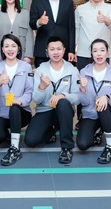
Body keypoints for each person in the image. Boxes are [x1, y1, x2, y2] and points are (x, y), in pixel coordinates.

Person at [24, 36, 80, 164]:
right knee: (30, 141)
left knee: (63, 103)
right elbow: (36, 99)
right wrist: (41, 87)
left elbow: (77, 98)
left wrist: (63, 96)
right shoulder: (40, 70)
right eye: (52, 49)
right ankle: (51, 131)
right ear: (47, 51)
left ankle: (66, 147)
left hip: (64, 111)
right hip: (45, 110)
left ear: (64, 50)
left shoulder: (72, 70)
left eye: (59, 49)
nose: (56, 52)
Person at [74, 0, 111, 126]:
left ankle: (102, 118)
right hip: (83, 53)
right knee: (83, 85)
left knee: (103, 86)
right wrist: (74, 49)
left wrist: (105, 19)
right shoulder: (80, 9)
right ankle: (82, 117)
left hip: (102, 55)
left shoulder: (110, 8)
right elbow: (76, 29)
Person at [0, 34, 34, 166]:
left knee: (14, 108)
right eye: (7, 46)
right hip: (3, 112)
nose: (10, 49)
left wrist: (21, 101)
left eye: (13, 46)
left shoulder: (26, 67)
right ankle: (11, 132)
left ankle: (15, 148)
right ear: (2, 49)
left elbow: (30, 91)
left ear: (19, 48)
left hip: (21, 112)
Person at [77, 39, 111, 164]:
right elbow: (84, 103)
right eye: (95, 51)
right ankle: (98, 130)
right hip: (91, 114)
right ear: (91, 53)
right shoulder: (84, 72)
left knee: (103, 104)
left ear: (107, 52)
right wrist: (82, 89)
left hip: (110, 114)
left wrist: (107, 98)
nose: (99, 54)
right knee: (82, 144)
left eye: (102, 50)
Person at [30, 0, 76, 67]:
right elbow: (32, 23)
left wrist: (71, 50)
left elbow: (71, 28)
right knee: (42, 75)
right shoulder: (37, 2)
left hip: (62, 50)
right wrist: (39, 22)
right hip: (43, 49)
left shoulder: (68, 3)